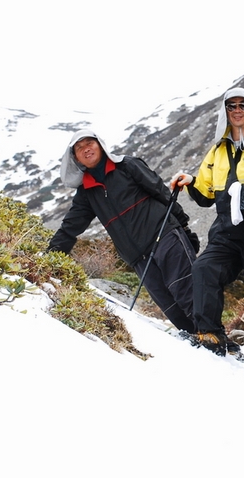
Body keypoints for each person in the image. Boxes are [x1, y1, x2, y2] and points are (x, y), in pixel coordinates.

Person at [48, 129, 200, 333]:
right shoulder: (86, 192)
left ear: (100, 145)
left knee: (187, 290)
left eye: (89, 143)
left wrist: (183, 227)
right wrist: (49, 259)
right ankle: (200, 343)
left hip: (164, 235)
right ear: (75, 158)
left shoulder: (127, 166)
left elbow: (161, 192)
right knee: (171, 307)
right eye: (79, 148)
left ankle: (215, 337)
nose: (86, 149)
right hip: (138, 257)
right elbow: (70, 228)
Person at [170, 87, 244, 361]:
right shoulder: (216, 151)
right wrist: (189, 182)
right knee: (204, 268)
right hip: (225, 232)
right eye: (231, 106)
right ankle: (210, 333)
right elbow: (205, 196)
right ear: (225, 112)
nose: (237, 110)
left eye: (243, 105)